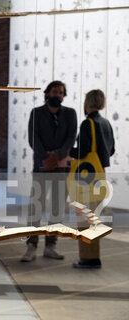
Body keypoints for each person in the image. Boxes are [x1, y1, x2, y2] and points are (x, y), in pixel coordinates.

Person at [21, 80, 77, 262]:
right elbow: (33, 138)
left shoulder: (70, 114)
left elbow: (71, 138)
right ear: (47, 94)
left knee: (57, 206)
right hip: (41, 166)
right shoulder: (36, 113)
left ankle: (51, 245)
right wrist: (46, 157)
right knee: (36, 205)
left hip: (62, 167)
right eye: (55, 92)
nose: (58, 95)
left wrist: (57, 156)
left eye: (61, 92)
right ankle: (31, 246)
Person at [70, 89, 115, 269]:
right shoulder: (106, 123)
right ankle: (93, 257)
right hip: (100, 174)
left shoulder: (87, 123)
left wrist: (69, 152)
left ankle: (88, 259)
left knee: (84, 218)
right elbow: (111, 150)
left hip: (86, 177)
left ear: (88, 102)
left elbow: (83, 150)